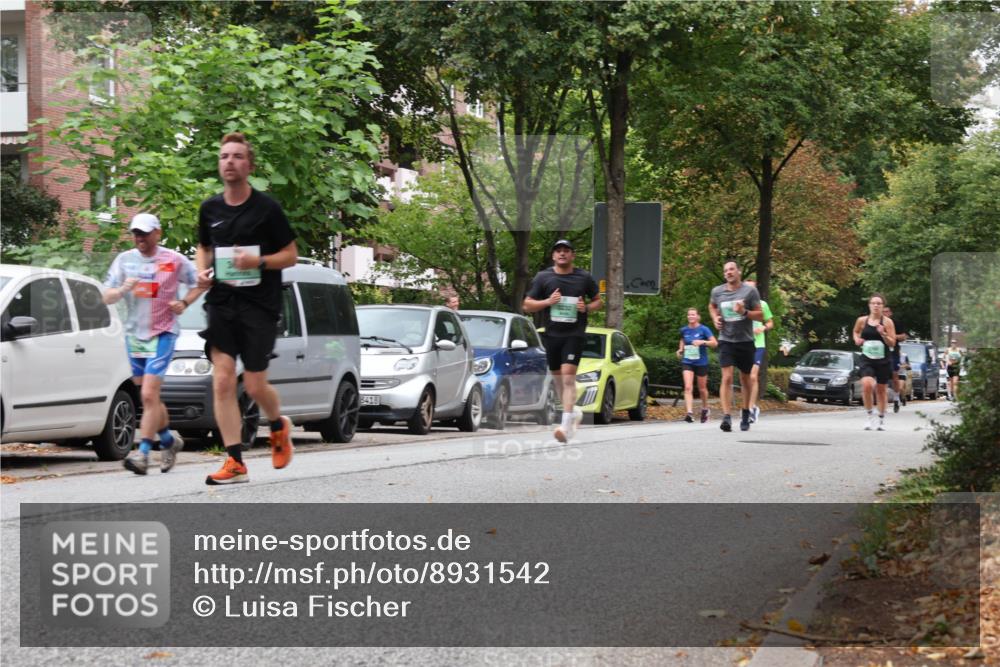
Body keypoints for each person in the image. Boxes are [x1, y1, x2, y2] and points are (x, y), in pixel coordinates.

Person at [196, 132, 299, 485]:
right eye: (224, 156)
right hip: (223, 303)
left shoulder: (267, 208)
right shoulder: (209, 208)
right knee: (223, 379)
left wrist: (259, 260)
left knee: (254, 385)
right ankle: (234, 460)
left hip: (259, 305)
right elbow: (203, 247)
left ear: (249, 165)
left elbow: (291, 255)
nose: (230, 161)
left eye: (238, 156)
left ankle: (277, 423)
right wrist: (202, 270)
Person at [103, 213, 203, 475]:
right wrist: (123, 288)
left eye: (145, 233)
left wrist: (183, 303)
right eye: (136, 233)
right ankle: (169, 441)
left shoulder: (174, 259)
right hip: (135, 335)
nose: (140, 238)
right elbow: (106, 296)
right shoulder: (124, 260)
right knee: (150, 398)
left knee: (148, 395)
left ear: (157, 233)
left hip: (163, 333)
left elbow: (199, 284)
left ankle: (143, 454)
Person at [523, 239, 601, 443]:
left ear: (572, 255)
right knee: (558, 379)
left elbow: (598, 301)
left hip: (574, 334)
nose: (562, 254)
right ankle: (573, 411)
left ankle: (565, 426)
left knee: (568, 377)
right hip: (552, 335)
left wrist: (587, 308)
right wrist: (548, 302)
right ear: (553, 256)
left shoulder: (583, 277)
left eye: (566, 251)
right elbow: (527, 305)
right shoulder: (543, 277)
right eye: (558, 251)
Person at [708, 261, 763, 432]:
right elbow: (711, 305)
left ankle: (746, 412)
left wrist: (744, 312)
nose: (728, 272)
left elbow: (761, 315)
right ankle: (726, 417)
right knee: (727, 377)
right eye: (725, 270)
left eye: (731, 269)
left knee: (745, 379)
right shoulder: (717, 291)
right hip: (726, 340)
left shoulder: (749, 291)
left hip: (745, 341)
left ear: (738, 271)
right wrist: (715, 318)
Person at [852, 293, 897, 431]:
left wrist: (883, 334)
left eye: (879, 303)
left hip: (883, 359)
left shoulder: (888, 322)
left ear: (883, 306)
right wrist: (857, 340)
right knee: (866, 385)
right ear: (869, 305)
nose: (876, 305)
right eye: (873, 303)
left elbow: (892, 342)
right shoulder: (862, 320)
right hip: (867, 358)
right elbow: (855, 332)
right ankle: (869, 416)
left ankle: (881, 419)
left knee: (881, 390)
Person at [676, 308, 717, 423]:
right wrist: (680, 349)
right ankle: (689, 413)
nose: (691, 317)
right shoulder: (684, 330)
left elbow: (714, 343)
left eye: (693, 315)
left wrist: (702, 342)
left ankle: (705, 408)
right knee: (688, 387)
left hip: (701, 362)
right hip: (687, 361)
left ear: (698, 316)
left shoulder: (704, 329)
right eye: (689, 315)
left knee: (702, 389)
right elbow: (683, 340)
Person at [743, 280, 773, 423]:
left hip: (758, 344)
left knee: (753, 377)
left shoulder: (762, 305)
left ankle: (750, 409)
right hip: (743, 344)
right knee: (746, 378)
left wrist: (763, 328)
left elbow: (770, 322)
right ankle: (752, 406)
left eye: (751, 289)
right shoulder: (739, 305)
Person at [882, 306, 908, 412]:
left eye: (886, 311)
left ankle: (897, 398)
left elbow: (903, 336)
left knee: (894, 375)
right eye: (883, 312)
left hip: (893, 352)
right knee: (881, 376)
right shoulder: (877, 323)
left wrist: (891, 336)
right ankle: (883, 402)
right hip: (881, 352)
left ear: (890, 313)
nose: (884, 313)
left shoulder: (895, 323)